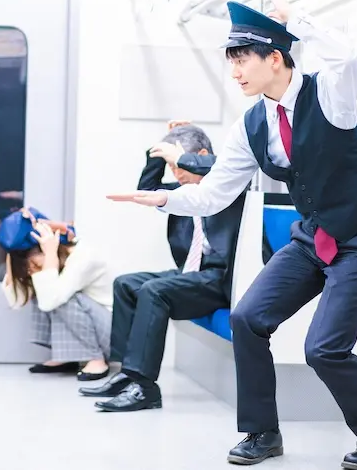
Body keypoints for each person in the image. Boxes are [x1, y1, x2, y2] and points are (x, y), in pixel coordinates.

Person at [108, 0, 357, 470]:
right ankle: (262, 433)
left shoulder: (329, 94)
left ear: (275, 57)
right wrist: (162, 198)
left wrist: (297, 18)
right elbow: (213, 194)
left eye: (243, 59)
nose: (236, 72)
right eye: (232, 62)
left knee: (324, 348)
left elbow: (347, 57)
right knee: (248, 318)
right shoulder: (251, 125)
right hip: (312, 239)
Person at [81, 123, 259, 412]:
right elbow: (147, 191)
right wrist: (158, 152)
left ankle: (145, 387)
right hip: (194, 274)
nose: (176, 173)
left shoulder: (231, 185)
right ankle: (127, 374)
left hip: (222, 278)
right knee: (127, 284)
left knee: (153, 291)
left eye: (180, 165)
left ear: (201, 155)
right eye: (172, 167)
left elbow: (223, 164)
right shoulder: (183, 191)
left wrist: (182, 157)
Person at [0, 208, 113, 381]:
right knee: (43, 285)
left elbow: (51, 300)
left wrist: (50, 254)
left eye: (33, 256)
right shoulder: (54, 259)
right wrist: (10, 252)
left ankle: (96, 359)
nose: (29, 267)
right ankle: (67, 356)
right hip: (95, 324)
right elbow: (17, 300)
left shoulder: (83, 257)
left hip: (111, 333)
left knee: (54, 294)